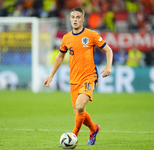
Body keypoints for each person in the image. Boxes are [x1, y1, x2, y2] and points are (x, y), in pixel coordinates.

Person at [43, 7, 113, 145]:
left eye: (77, 17)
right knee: (78, 112)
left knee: (80, 107)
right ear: (70, 19)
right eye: (73, 17)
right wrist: (51, 75)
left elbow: (108, 50)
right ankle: (94, 128)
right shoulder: (66, 38)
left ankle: (72, 137)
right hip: (74, 79)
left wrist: (108, 66)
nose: (75, 20)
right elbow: (60, 56)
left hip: (89, 77)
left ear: (82, 19)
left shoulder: (91, 35)